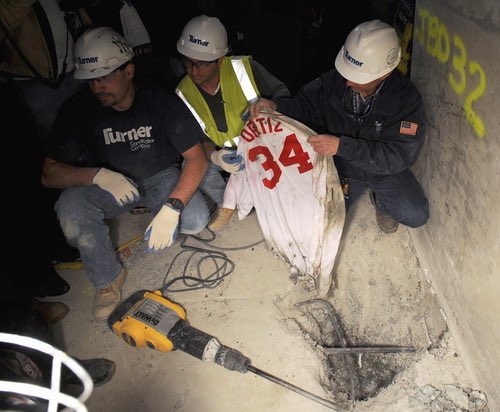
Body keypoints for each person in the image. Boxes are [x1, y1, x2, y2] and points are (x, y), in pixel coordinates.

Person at [41, 27, 210, 321]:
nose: (97, 87)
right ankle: (108, 280)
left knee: (195, 220)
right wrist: (95, 176)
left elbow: (196, 159)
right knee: (71, 207)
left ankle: (159, 210)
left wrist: (172, 208)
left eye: (104, 77)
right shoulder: (79, 109)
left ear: (129, 71)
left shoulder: (160, 100)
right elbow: (49, 174)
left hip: (159, 177)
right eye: (91, 80)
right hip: (112, 183)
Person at [250, 19, 429, 233]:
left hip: (381, 169)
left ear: (384, 74)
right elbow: (305, 105)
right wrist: (276, 105)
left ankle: (381, 201)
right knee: (316, 221)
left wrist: (341, 146)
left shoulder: (406, 100)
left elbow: (398, 156)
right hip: (341, 167)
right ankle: (348, 191)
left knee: (416, 214)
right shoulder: (334, 81)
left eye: (357, 77)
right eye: (347, 72)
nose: (347, 82)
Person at [175, 15, 291, 230]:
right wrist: (215, 156)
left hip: (261, 144)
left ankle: (258, 195)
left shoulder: (243, 68)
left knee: (277, 188)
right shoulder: (184, 91)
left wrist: (271, 104)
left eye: (201, 63)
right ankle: (228, 204)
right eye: (188, 62)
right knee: (199, 172)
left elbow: (282, 93)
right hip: (224, 154)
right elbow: (194, 140)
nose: (193, 70)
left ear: (219, 59)